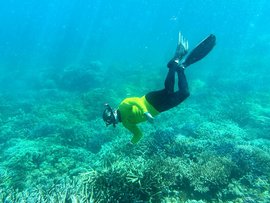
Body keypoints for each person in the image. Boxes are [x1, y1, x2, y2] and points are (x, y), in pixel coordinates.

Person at [103, 32, 216, 144]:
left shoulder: (123, 106)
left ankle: (175, 61)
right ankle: (181, 68)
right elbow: (138, 134)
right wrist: (132, 143)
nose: (112, 119)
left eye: (110, 117)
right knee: (185, 94)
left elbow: (136, 101)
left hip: (149, 100)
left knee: (169, 90)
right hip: (159, 109)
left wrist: (146, 113)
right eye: (110, 120)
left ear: (113, 110)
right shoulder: (126, 124)